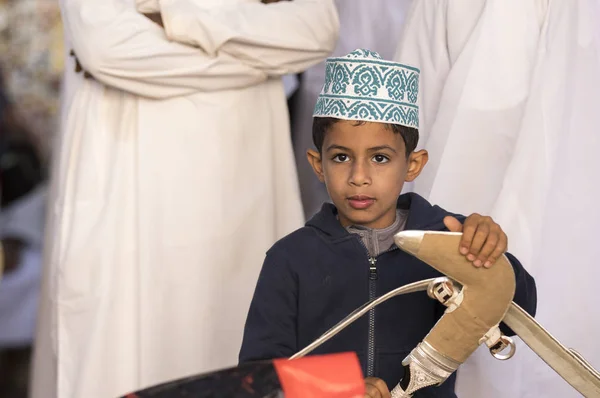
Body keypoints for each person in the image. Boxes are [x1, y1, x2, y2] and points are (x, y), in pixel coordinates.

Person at [31, 1, 339, 398]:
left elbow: (315, 30)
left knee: (241, 343)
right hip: (130, 187)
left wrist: (179, 18)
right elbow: (106, 47)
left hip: (244, 184)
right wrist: (259, 57)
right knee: (132, 356)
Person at [239, 49, 537, 397]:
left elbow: (517, 317)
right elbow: (257, 377)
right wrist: (339, 390)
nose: (359, 177)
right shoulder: (289, 259)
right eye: (340, 158)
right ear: (318, 164)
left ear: (413, 164)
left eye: (380, 158)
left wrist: (491, 256)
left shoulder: (446, 243)